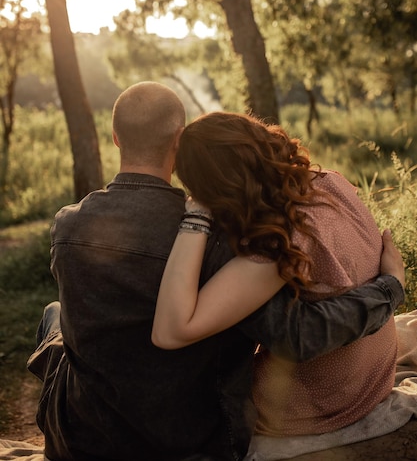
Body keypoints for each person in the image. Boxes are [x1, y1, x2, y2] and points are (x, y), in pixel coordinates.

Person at [27, 83, 404, 461]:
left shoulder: (68, 225)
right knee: (56, 317)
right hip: (192, 437)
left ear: (115, 138)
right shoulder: (229, 239)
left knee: (55, 315)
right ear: (178, 140)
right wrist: (388, 288)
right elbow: (296, 332)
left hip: (78, 438)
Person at [152, 110, 405, 439]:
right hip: (375, 376)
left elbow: (171, 331)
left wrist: (197, 212)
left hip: (324, 403)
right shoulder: (330, 182)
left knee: (174, 388)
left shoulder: (277, 248)